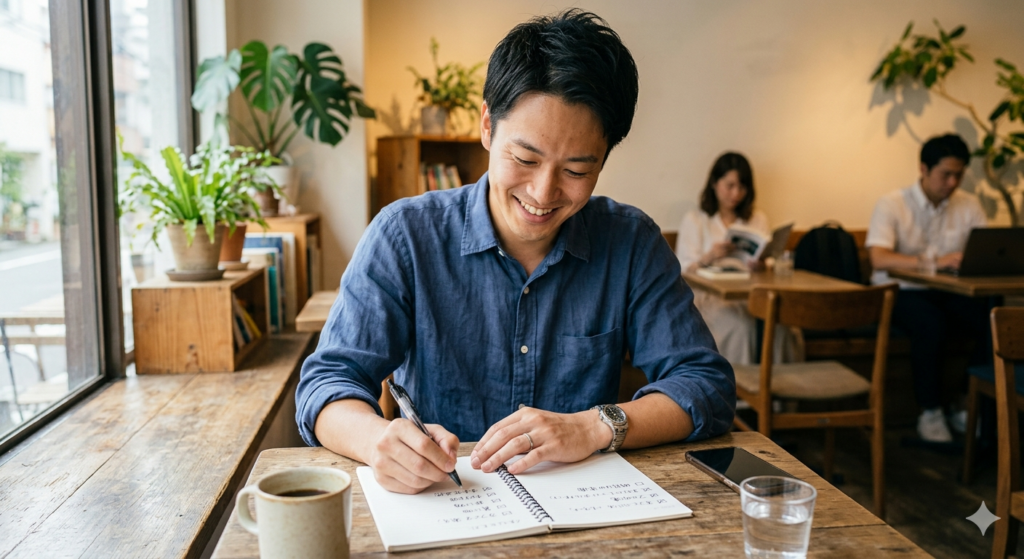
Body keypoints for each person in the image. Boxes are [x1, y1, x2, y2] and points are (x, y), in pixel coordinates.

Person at [296, 9, 735, 495]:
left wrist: (595, 426)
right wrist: (379, 439)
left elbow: (704, 384)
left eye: (576, 170)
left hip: (585, 515)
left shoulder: (631, 242)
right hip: (447, 503)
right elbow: (326, 384)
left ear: (605, 156)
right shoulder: (405, 236)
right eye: (525, 159)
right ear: (487, 126)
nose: (544, 193)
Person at [866, 133, 991, 443]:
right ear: (923, 169)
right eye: (945, 174)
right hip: (898, 292)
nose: (952, 182)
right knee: (929, 321)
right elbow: (878, 258)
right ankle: (930, 410)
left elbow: (988, 251)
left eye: (958, 175)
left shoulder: (969, 205)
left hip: (949, 292)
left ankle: (967, 402)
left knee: (992, 316)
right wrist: (930, 261)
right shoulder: (893, 203)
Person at [675, 152, 802, 365]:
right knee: (738, 326)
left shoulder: (756, 218)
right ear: (715, 183)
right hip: (711, 297)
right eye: (730, 185)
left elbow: (768, 262)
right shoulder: (697, 219)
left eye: (742, 187)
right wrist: (710, 256)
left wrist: (761, 263)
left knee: (782, 325)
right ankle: (738, 393)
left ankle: (778, 394)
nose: (735, 194)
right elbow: (683, 270)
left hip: (751, 293)